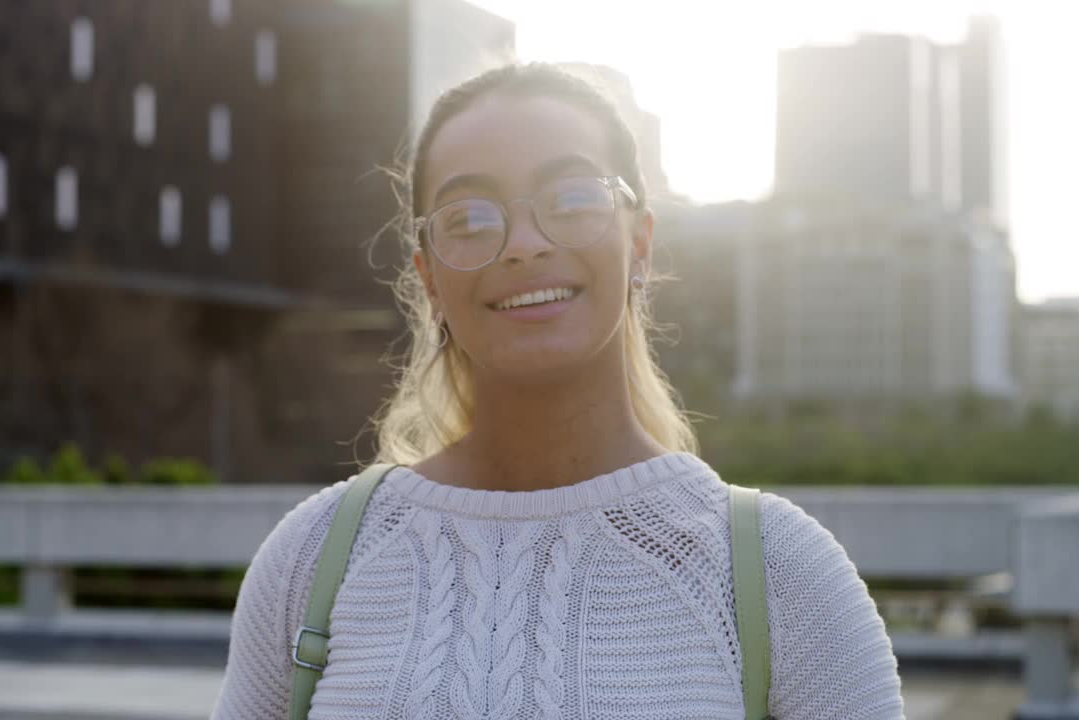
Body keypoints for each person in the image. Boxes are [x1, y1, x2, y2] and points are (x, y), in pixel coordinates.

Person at [210, 62, 904, 719]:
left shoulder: (777, 571)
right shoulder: (315, 558)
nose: (523, 244)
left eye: (572, 199)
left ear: (640, 244)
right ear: (428, 277)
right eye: (471, 217)